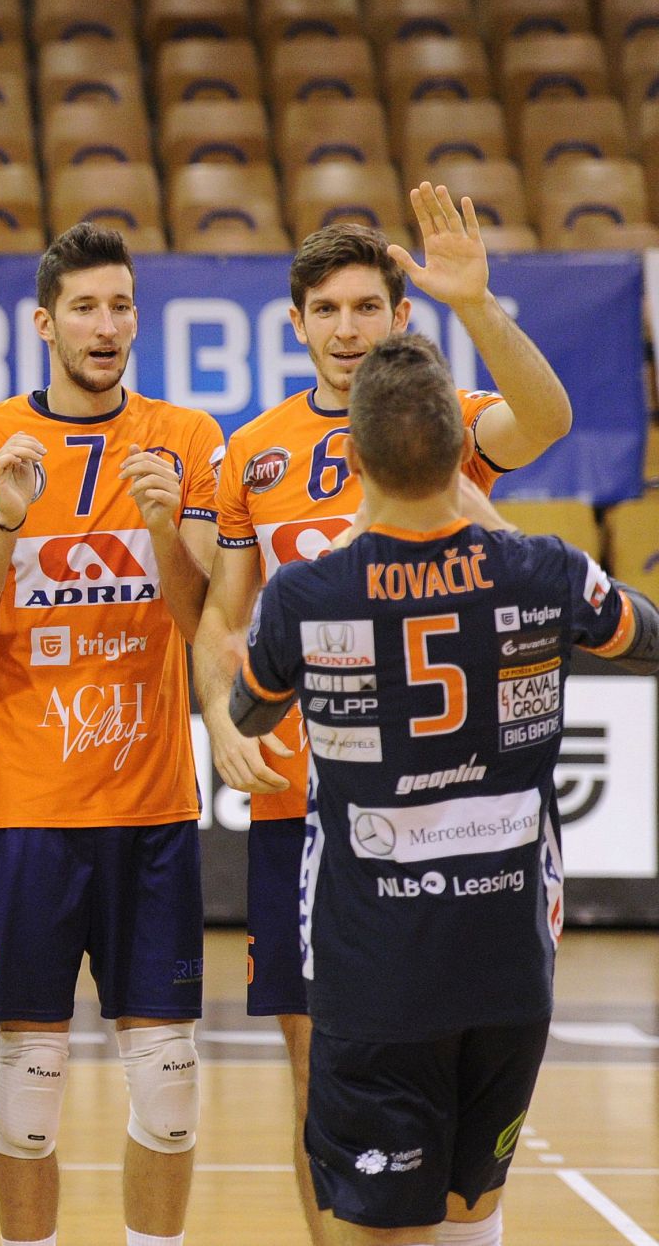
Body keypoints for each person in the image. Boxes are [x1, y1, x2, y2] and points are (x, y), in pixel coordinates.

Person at [193, 189, 572, 1244]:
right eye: (327, 309)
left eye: (368, 306)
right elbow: (224, 617)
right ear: (296, 323)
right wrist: (221, 717)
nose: (348, 327)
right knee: (319, 1073)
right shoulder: (253, 451)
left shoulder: (436, 419)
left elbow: (546, 420)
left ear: (400, 316)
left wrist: (479, 305)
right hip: (306, 808)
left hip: (449, 805)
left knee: (454, 1069)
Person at [228, 331, 657, 1246]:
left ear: (354, 458)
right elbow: (646, 635)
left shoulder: (308, 595)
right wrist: (491, 525)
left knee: (379, 1227)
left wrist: (355, 537)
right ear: (465, 453)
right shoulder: (544, 569)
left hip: (375, 967)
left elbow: (251, 707)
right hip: (508, 960)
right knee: (472, 1209)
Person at [0, 223, 223, 1246]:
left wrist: (166, 530)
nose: (106, 326)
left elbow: (205, 625)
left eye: (121, 306)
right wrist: (7, 525)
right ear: (45, 323)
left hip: (153, 807)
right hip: (30, 811)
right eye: (86, 307)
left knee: (172, 1088)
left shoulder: (188, 437)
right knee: (29, 1092)